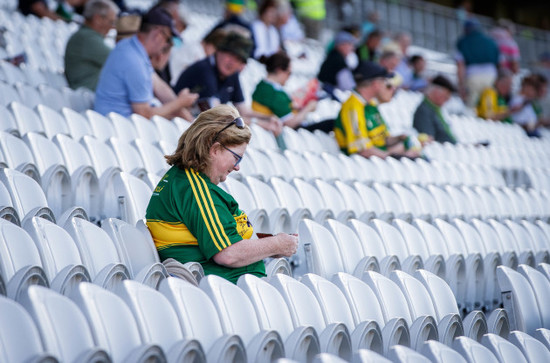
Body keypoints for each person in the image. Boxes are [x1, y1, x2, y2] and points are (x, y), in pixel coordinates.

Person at [145, 105, 298, 284]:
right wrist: (277, 244)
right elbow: (228, 254)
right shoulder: (196, 191)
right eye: (237, 157)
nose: (237, 166)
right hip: (228, 293)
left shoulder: (185, 181)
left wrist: (266, 247)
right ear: (215, 149)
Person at [94, 7, 198, 119]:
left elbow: (161, 88)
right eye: (168, 40)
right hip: (117, 128)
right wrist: (180, 103)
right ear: (158, 34)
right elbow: (144, 114)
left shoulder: (131, 48)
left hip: (119, 124)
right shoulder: (133, 60)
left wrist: (188, 117)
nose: (166, 46)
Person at [173, 31, 281, 135]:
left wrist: (268, 118)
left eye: (238, 59)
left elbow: (243, 110)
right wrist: (259, 123)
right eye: (230, 55)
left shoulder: (232, 74)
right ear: (219, 51)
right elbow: (218, 116)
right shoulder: (205, 70)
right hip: (180, 127)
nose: (232, 62)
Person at [334, 61, 420, 159]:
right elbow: (362, 150)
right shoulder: (353, 107)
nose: (392, 88)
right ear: (376, 84)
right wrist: (395, 156)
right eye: (386, 83)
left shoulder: (370, 104)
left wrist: (399, 138)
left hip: (379, 161)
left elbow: (383, 139)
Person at [252, 51, 334, 133]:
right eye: (289, 73)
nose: (289, 77)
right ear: (279, 70)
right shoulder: (274, 93)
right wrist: (308, 108)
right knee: (332, 123)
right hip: (292, 132)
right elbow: (289, 124)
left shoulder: (262, 85)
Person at [64, 0, 119, 91]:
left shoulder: (85, 36)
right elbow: (120, 62)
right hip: (87, 97)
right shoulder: (86, 38)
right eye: (111, 22)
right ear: (98, 19)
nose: (113, 27)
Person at [455, 18, 500, 108]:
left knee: (471, 103)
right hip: (491, 75)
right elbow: (499, 63)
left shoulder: (463, 42)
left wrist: (461, 85)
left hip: (473, 75)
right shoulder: (491, 42)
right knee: (488, 104)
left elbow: (460, 65)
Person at [413, 75, 457, 144]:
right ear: (436, 92)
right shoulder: (424, 111)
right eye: (445, 97)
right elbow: (428, 138)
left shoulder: (435, 110)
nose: (446, 101)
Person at [317, 30, 357, 97]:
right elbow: (347, 86)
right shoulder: (339, 61)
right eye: (350, 44)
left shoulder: (333, 56)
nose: (352, 48)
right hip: (329, 96)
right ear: (341, 45)